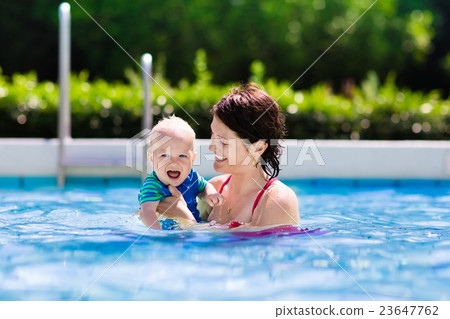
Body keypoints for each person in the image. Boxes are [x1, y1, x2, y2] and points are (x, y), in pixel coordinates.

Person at [157, 83, 300, 228]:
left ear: (258, 147)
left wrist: (183, 217)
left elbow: (253, 247)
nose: (211, 147)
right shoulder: (213, 188)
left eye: (224, 142)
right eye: (213, 134)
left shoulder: (277, 200)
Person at [137, 116, 225, 229]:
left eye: (182, 156)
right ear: (152, 158)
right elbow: (147, 212)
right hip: (168, 234)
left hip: (191, 229)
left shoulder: (191, 177)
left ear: (193, 159)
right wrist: (158, 233)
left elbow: (204, 187)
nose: (174, 162)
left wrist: (210, 194)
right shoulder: (153, 185)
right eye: (164, 155)